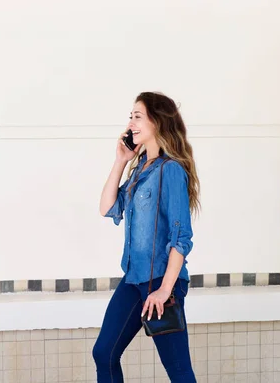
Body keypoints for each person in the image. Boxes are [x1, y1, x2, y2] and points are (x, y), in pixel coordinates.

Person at [93, 92, 200, 382]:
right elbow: (107, 207)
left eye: (137, 116)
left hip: (162, 283)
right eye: (130, 116)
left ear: (157, 122)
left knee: (178, 371)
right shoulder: (141, 169)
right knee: (104, 353)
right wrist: (121, 160)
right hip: (134, 279)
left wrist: (165, 291)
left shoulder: (171, 170)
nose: (130, 123)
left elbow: (181, 238)